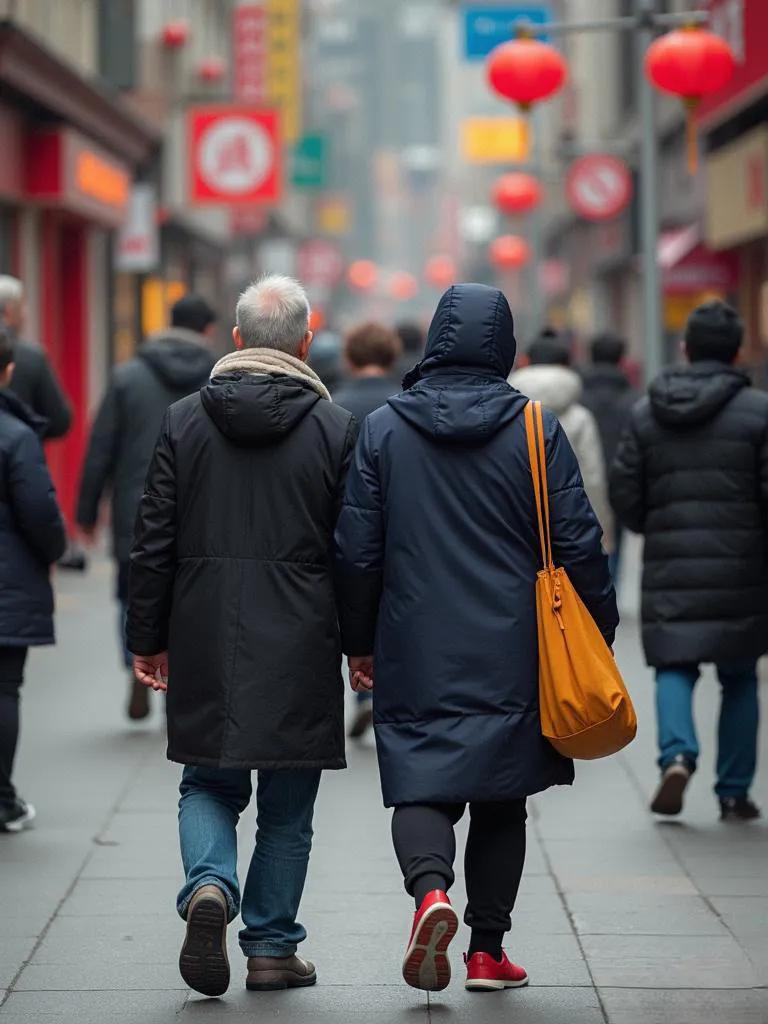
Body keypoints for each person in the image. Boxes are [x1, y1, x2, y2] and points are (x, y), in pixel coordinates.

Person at [335, 284, 617, 995]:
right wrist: (600, 629)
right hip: (514, 643)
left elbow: (357, 548)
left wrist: (358, 640)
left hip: (414, 636)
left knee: (421, 781)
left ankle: (432, 895)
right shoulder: (534, 427)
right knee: (502, 794)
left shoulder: (386, 429)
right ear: (503, 346)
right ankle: (488, 953)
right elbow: (580, 541)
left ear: (432, 339)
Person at [127, 275, 356, 998]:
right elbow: (356, 549)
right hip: (301, 633)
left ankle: (211, 884)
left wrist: (146, 635)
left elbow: (152, 539)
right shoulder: (336, 428)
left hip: (202, 627)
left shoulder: (183, 421)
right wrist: (364, 644)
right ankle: (271, 947)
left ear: (234, 341)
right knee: (289, 807)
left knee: (207, 780)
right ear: (306, 344)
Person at [610, 300, 766, 822]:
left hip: (671, 560)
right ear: (738, 352)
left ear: (686, 348)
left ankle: (676, 755)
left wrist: (647, 524)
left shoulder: (648, 411)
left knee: (674, 664)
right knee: (740, 676)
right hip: (743, 565)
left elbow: (625, 487)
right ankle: (734, 790)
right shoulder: (758, 412)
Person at [76, 295, 216, 721]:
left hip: (135, 505)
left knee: (133, 590)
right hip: (201, 503)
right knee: (192, 593)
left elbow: (102, 446)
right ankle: (184, 683)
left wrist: (86, 510)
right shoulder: (217, 376)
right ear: (207, 330)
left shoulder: (128, 376)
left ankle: (136, 670)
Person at [0, 329, 67, 832]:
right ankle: (2, 798)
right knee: (5, 688)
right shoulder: (15, 435)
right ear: (8, 372)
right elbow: (39, 514)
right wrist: (55, 551)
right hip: (8, 584)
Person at [334, 322, 401, 740]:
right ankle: (388, 693)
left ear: (350, 357)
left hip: (345, 524)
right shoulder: (404, 403)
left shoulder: (333, 404)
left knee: (358, 604)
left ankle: (363, 694)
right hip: (397, 524)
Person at [510, 332, 613, 552]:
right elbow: (593, 477)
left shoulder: (507, 412)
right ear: (566, 365)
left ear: (526, 363)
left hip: (516, 524)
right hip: (570, 522)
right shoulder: (581, 417)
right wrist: (601, 530)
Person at [581, 333, 636, 580]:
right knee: (616, 547)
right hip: (621, 486)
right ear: (622, 360)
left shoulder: (579, 399)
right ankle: (610, 592)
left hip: (580, 487)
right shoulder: (633, 400)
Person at [0, 275, 72, 440]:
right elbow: (60, 421)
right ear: (10, 311)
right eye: (23, 306)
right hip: (19, 460)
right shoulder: (31, 358)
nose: (25, 314)